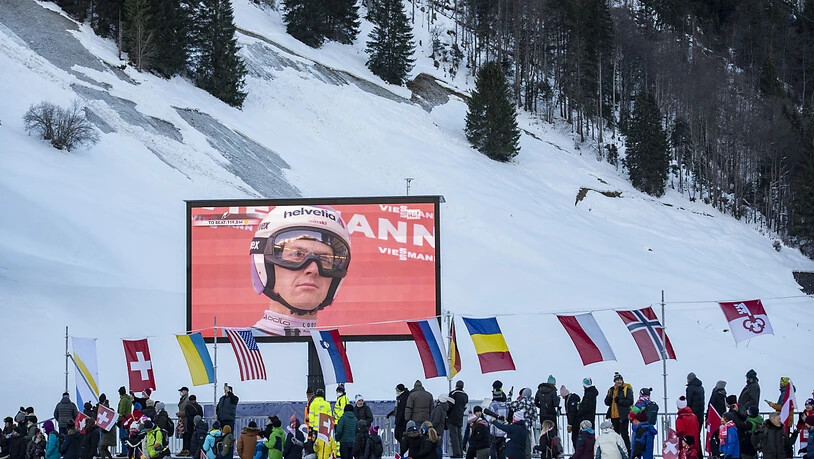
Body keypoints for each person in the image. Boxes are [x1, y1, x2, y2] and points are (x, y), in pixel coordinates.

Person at [250, 205, 353, 336]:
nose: (313, 269)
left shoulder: (339, 352)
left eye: (325, 259)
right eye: (297, 254)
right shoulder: (228, 349)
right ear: (266, 265)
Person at [604, 373, 634, 451]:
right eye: (617, 380)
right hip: (613, 417)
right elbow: (607, 403)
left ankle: (628, 452)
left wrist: (619, 401)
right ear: (614, 381)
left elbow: (630, 401)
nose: (619, 381)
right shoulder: (611, 390)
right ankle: (617, 452)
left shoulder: (626, 389)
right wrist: (609, 398)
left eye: (620, 380)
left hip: (623, 416)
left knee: (624, 435)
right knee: (615, 436)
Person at [448, 381, 469, 458]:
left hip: (452, 417)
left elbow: (449, 405)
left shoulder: (453, 393)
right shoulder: (465, 395)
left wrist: (447, 414)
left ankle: (456, 454)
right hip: (460, 417)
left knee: (453, 436)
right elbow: (465, 407)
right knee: (459, 436)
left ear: (456, 385)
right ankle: (460, 452)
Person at [487, 387, 509, 459]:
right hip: (504, 433)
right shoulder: (507, 405)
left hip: (494, 432)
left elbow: (488, 419)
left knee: (493, 453)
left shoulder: (493, 405)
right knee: (502, 454)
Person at [176, 387, 190, 457]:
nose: (181, 392)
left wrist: (180, 413)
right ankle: (184, 449)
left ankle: (186, 449)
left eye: (182, 391)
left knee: (186, 435)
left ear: (185, 391)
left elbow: (187, 411)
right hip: (182, 420)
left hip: (186, 420)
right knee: (184, 435)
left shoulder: (187, 400)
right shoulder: (183, 399)